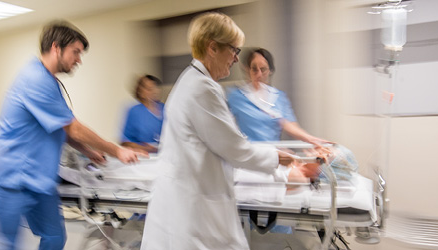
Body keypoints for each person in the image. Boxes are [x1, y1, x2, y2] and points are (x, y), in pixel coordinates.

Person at [140, 13, 319, 250]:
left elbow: (229, 141)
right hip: (194, 206)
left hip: (193, 196)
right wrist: (280, 158)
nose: (236, 59)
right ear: (212, 47)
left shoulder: (193, 82)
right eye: (234, 50)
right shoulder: (202, 89)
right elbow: (237, 150)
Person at [0, 20, 146, 250]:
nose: (79, 60)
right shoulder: (35, 78)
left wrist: (88, 152)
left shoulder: (49, 82)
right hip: (10, 178)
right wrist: (117, 150)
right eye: (75, 52)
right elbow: (74, 128)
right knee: (5, 244)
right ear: (55, 47)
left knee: (54, 238)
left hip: (38, 179)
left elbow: (61, 126)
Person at [227, 48, 329, 146]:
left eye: (263, 69)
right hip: (250, 156)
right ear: (247, 69)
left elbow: (289, 124)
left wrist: (310, 139)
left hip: (274, 155)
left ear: (270, 71)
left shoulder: (278, 97)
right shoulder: (236, 97)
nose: (259, 74)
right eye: (254, 69)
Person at [120, 74, 164, 153]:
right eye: (149, 89)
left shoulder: (166, 109)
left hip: (166, 155)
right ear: (140, 91)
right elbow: (125, 141)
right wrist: (146, 148)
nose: (153, 91)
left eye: (154, 88)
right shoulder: (134, 112)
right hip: (145, 156)